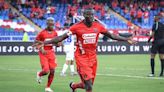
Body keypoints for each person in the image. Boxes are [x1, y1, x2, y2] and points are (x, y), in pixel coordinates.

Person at [33, 8, 136, 92]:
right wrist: (45, 42)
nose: (90, 17)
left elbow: (112, 35)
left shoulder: (98, 26)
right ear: (84, 16)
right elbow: (61, 37)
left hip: (93, 59)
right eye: (88, 15)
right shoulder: (76, 27)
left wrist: (126, 39)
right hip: (81, 58)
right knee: (89, 87)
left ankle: (73, 86)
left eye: (92, 15)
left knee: (87, 85)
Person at [33, 17, 61, 92]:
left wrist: (58, 44)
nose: (52, 25)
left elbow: (56, 42)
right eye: (50, 24)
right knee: (46, 71)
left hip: (51, 53)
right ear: (47, 24)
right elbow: (35, 42)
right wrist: (41, 48)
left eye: (53, 24)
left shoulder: (55, 33)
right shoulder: (42, 33)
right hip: (43, 53)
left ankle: (47, 87)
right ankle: (39, 74)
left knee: (52, 71)